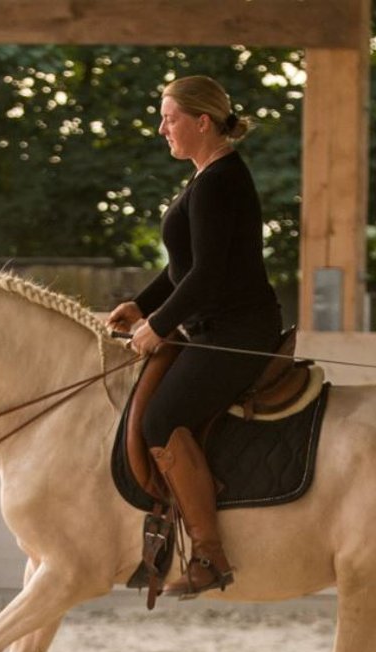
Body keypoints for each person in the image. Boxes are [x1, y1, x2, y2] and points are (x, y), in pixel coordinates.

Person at [107, 75, 284, 597]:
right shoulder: (208, 177)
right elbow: (184, 268)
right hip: (217, 325)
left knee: (160, 420)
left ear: (202, 122)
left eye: (170, 119)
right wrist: (142, 304)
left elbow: (206, 275)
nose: (162, 129)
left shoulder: (217, 182)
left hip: (236, 332)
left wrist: (158, 326)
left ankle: (209, 554)